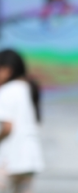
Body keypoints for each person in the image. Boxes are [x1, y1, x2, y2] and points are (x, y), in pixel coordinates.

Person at [0, 49, 44, 193]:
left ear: (7, 70)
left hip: (9, 159)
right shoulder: (28, 88)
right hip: (30, 159)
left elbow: (7, 127)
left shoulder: (6, 91)